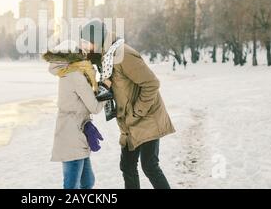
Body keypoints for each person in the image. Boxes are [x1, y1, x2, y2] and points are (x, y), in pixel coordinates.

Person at [80, 19, 176, 189]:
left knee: (150, 166)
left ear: (97, 39)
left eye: (88, 42)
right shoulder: (106, 58)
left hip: (146, 118)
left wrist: (137, 112)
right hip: (130, 123)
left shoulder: (123, 54)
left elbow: (152, 83)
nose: (86, 46)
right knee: (127, 166)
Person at [42, 40, 107, 189]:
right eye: (83, 52)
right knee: (72, 185)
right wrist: (105, 91)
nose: (87, 55)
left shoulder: (67, 72)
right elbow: (95, 107)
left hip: (73, 130)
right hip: (73, 135)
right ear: (76, 56)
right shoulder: (76, 75)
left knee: (87, 181)